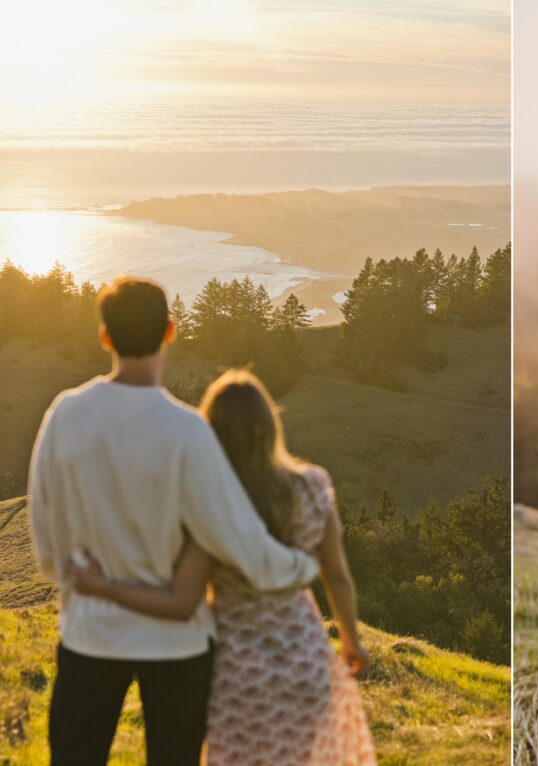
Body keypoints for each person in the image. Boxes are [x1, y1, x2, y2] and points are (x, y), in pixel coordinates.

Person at [27, 276, 319, 766]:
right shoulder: (188, 432)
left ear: (105, 337)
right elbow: (237, 537)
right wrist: (300, 567)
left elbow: (45, 534)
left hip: (91, 632)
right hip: (177, 645)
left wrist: (79, 582)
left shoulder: (65, 415)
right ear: (169, 331)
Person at [71, 369, 377, 766]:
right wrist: (350, 639)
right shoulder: (312, 488)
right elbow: (337, 575)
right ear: (270, 425)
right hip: (305, 659)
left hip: (238, 672)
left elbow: (182, 601)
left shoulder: (211, 505)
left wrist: (104, 586)